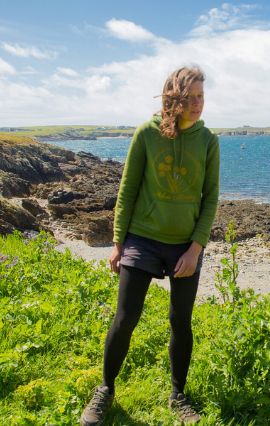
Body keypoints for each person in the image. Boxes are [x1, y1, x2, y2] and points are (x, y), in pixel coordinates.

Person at [80, 66, 220, 425]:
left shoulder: (209, 141)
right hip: (142, 239)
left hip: (184, 246)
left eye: (201, 97)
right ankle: (105, 390)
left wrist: (195, 249)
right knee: (125, 318)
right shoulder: (146, 133)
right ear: (173, 97)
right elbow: (127, 189)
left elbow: (210, 200)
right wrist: (117, 243)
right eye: (190, 98)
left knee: (181, 321)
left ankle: (178, 394)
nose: (197, 104)